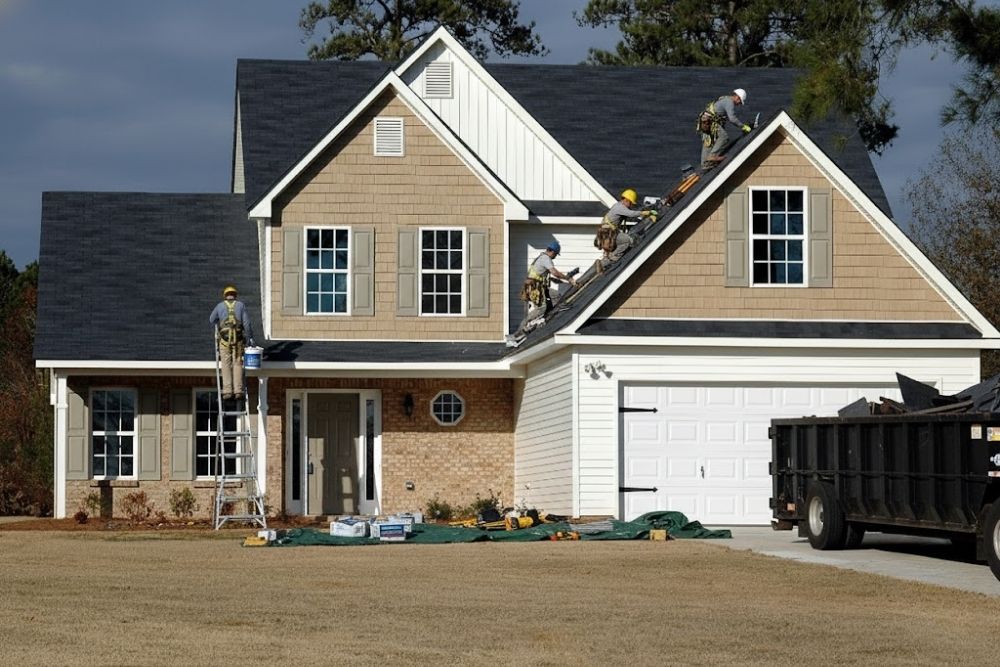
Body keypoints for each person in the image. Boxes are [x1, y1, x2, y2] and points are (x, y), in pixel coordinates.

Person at [506, 241, 576, 346]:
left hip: (539, 287)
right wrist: (568, 278)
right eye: (555, 254)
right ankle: (518, 333)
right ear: (551, 251)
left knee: (556, 296)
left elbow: (546, 275)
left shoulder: (542, 257)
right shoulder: (546, 259)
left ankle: (548, 315)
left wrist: (559, 280)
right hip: (535, 288)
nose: (555, 256)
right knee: (541, 308)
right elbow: (555, 272)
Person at [209, 285, 254, 406]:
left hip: (224, 341)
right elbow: (247, 323)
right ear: (235, 295)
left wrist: (220, 319)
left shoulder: (220, 306)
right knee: (237, 364)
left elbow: (211, 319)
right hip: (238, 340)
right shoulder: (241, 305)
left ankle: (228, 392)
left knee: (226, 364)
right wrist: (250, 338)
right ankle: (238, 391)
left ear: (225, 296)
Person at [595, 189, 656, 267]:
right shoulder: (619, 207)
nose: (631, 206)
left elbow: (629, 214)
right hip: (608, 232)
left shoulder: (618, 205)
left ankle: (608, 259)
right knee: (627, 240)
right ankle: (612, 258)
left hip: (608, 231)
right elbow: (631, 214)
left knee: (619, 242)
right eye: (631, 203)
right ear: (627, 200)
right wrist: (645, 213)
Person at [698, 88, 751, 169]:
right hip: (710, 121)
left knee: (709, 141)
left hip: (704, 121)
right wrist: (742, 126)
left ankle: (705, 164)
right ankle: (713, 156)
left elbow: (721, 117)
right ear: (737, 97)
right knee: (724, 137)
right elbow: (732, 118)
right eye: (740, 101)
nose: (739, 104)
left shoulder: (724, 99)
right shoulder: (729, 102)